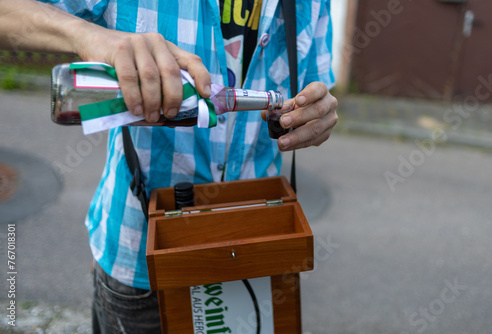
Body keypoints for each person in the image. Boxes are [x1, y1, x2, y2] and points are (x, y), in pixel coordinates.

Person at [0, 0, 338, 332]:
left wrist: (313, 112)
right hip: (142, 260)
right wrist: (85, 34)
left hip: (255, 251)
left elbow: (304, 94)